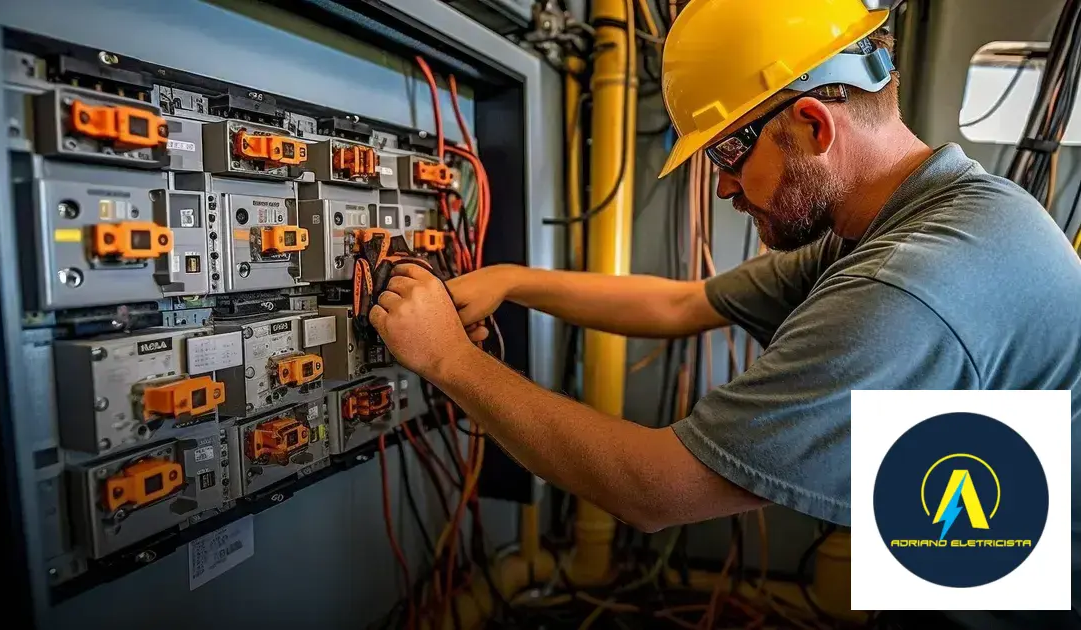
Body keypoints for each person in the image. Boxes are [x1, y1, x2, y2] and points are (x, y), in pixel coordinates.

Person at [370, 0, 1081, 621]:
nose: (723, 190)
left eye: (725, 156)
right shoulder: (911, 217)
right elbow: (681, 304)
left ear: (810, 125)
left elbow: (655, 490)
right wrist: (516, 281)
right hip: (974, 570)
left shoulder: (908, 283)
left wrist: (448, 360)